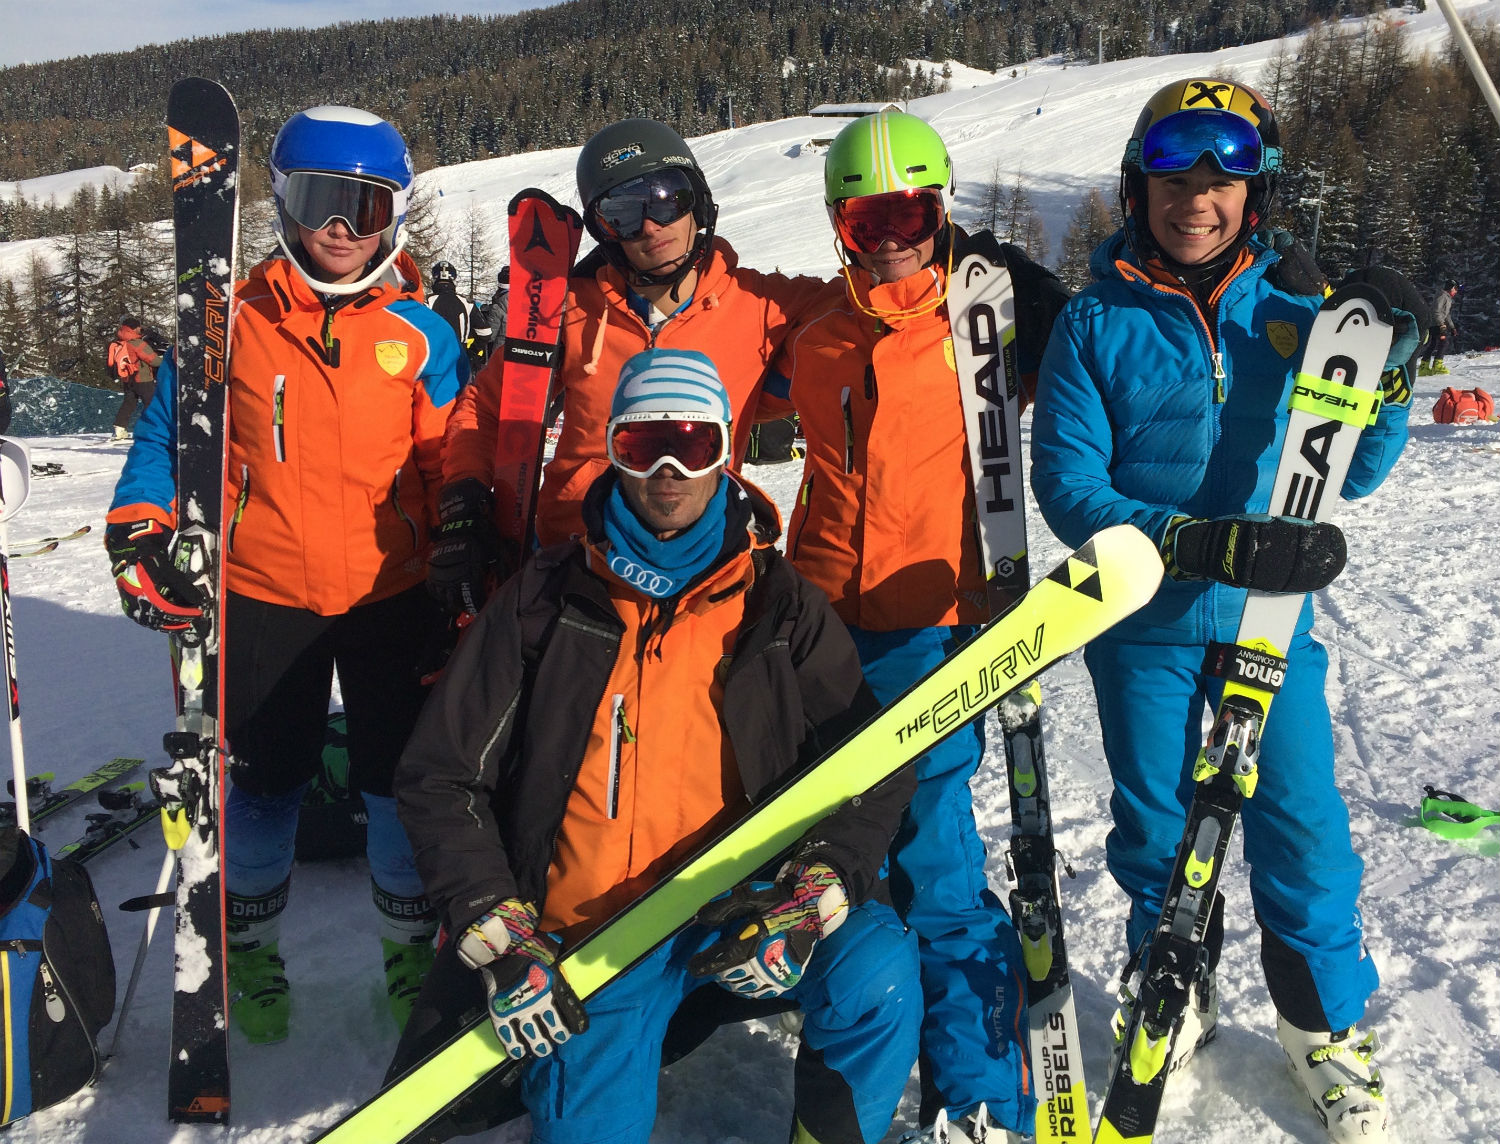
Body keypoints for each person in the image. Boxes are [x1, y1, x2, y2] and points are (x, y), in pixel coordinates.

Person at [391, 348, 920, 1144]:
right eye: (643, 445)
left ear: (726, 453)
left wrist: (819, 884)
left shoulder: (778, 605)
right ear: (613, 451)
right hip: (592, 941)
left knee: (876, 971)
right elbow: (442, 775)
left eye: (694, 445)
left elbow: (873, 761)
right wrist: (493, 922)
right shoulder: (543, 601)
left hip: (743, 913)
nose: (669, 472)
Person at [1030, 77, 1409, 1143]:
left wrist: (1386, 379)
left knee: (1302, 823)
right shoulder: (1094, 321)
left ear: (1256, 193)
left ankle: (1319, 1022)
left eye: (1223, 177)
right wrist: (1189, 540)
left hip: (1267, 620)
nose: (1196, 198)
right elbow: (1068, 484)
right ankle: (1174, 980)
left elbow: (1356, 468)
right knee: (1158, 826)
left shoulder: (1297, 313)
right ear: (1137, 186)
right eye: (1173, 173)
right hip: (1142, 622)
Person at [104, 104, 467, 1045]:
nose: (340, 230)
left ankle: (407, 955)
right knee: (266, 784)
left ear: (395, 215)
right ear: (282, 206)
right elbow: (166, 440)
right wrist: (141, 525)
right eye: (318, 202)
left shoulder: (421, 334)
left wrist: (472, 547)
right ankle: (249, 953)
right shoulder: (230, 324)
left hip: (393, 594)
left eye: (364, 207)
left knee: (396, 785)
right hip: (265, 591)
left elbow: (453, 459)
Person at [762, 109, 1070, 1142]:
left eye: (909, 213)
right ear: (837, 226)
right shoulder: (817, 335)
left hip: (934, 633)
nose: (890, 238)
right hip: (816, 633)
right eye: (866, 222)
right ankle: (858, 1032)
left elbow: (1108, 357)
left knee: (935, 864)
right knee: (827, 852)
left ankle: (982, 1095)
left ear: (941, 211)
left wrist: (1048, 300)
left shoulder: (989, 324)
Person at [430, 117, 826, 617]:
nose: (651, 227)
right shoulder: (570, 312)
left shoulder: (763, 305)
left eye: (667, 199)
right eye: (622, 213)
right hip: (575, 558)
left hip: (699, 564)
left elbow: (863, 310)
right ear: (603, 231)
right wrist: (465, 498)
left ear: (698, 201)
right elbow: (486, 407)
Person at [107, 317, 163, 441]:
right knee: (151, 403)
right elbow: (153, 361)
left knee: (129, 403)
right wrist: (164, 359)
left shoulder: (120, 343)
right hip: (142, 379)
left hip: (127, 379)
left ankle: (119, 429)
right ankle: (150, 430)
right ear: (134, 328)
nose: (140, 329)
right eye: (138, 327)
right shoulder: (137, 343)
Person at [1418, 280, 1459, 375]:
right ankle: (1437, 366)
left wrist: (1452, 327)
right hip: (1436, 323)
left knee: (1433, 344)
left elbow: (1446, 314)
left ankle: (1423, 367)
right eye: (1456, 289)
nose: (1456, 292)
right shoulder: (1442, 296)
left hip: (1436, 323)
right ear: (1452, 288)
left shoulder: (1447, 298)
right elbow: (1436, 311)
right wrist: (1441, 324)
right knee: (1444, 343)